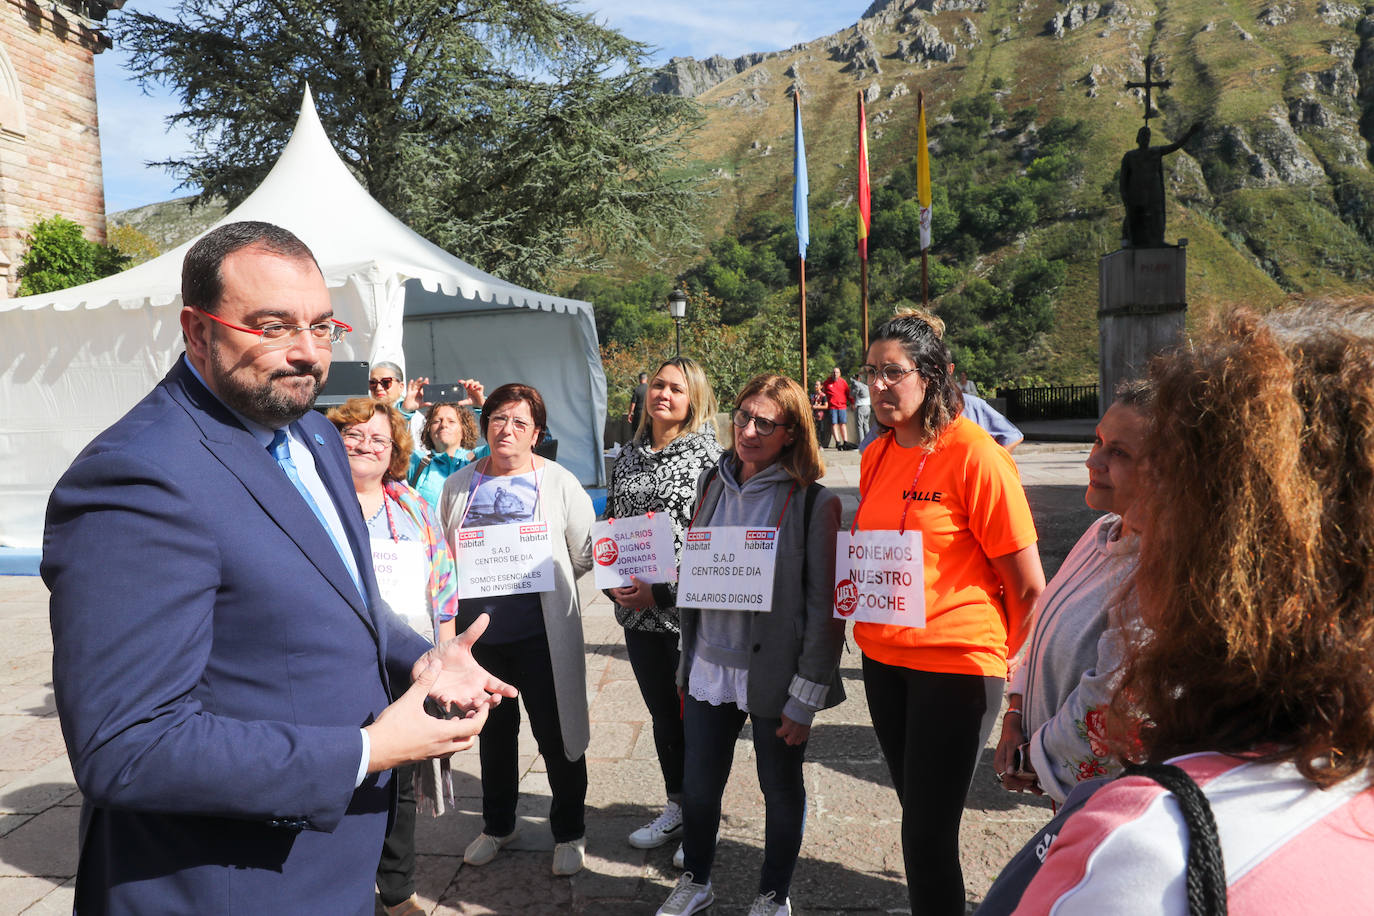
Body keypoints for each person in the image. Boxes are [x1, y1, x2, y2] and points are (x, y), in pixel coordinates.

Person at [42, 220, 515, 914]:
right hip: (226, 886)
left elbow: (340, 598)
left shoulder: (317, 437)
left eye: (323, 326)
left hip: (336, 874)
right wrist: (366, 751)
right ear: (196, 331)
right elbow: (126, 745)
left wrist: (422, 658)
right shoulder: (136, 478)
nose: (307, 353)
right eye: (272, 326)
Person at [1008, 303, 1374, 913]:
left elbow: (1113, 704)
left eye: (1177, 485)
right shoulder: (1337, 767)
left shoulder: (1148, 855)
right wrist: (1019, 710)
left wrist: (1040, 761)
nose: (1148, 523)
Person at [853, 311, 1044, 916]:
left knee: (926, 832)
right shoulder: (875, 455)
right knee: (918, 813)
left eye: (894, 373)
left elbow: (1029, 588)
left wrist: (1019, 690)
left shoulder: (975, 455)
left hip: (958, 665)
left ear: (933, 376)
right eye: (871, 373)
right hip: (884, 662)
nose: (880, 387)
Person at [657, 375, 844, 916]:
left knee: (780, 791)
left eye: (767, 423)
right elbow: (700, 574)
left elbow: (825, 609)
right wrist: (685, 656)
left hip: (775, 677)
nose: (750, 431)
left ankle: (773, 895)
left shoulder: (813, 503)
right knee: (697, 788)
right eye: (743, 417)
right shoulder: (710, 485)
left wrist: (805, 698)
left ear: (791, 433)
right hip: (709, 666)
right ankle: (696, 880)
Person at [438, 383, 595, 877]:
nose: (506, 430)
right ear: (484, 425)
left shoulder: (559, 482)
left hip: (542, 635)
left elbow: (583, 554)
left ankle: (569, 830)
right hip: (480, 643)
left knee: (557, 735)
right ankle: (498, 824)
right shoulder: (459, 484)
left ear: (537, 434)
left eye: (519, 422)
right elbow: (444, 558)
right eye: (498, 419)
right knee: (493, 736)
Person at [327, 396, 461, 916]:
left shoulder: (412, 508)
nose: (365, 446)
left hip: (405, 664)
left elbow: (443, 590)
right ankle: (341, 881)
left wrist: (445, 660)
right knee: (347, 768)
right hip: (337, 662)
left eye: (378, 438)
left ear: (394, 452)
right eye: (352, 436)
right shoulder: (311, 503)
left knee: (401, 779)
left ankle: (398, 888)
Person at [993, 380, 1150, 804]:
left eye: (1118, 452)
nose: (1091, 460)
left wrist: (1031, 761)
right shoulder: (1101, 531)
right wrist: (1015, 713)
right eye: (1098, 441)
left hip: (1112, 810)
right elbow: (1044, 623)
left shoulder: (1162, 572)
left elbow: (1113, 706)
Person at [606, 357, 723, 859]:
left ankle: (702, 821)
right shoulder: (629, 456)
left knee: (697, 721)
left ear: (693, 398)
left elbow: (719, 541)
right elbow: (613, 519)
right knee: (662, 717)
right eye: (658, 385)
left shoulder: (711, 459)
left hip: (688, 614)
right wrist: (612, 577)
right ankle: (677, 807)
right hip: (638, 615)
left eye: (677, 388)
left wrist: (665, 589)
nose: (665, 395)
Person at [409, 400, 489, 506]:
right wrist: (405, 411)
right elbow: (387, 446)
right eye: (437, 421)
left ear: (464, 430)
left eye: (451, 421)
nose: (443, 425)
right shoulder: (417, 462)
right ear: (428, 430)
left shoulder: (479, 458)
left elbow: (502, 440)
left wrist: (483, 407)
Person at [820, 365, 851, 449]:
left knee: (843, 424)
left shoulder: (843, 382)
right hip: (832, 407)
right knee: (834, 424)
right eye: (833, 372)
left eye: (837, 372)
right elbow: (822, 392)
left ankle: (845, 442)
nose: (835, 374)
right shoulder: (827, 382)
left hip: (842, 406)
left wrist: (852, 403)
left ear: (840, 374)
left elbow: (848, 393)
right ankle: (838, 442)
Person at [850, 370, 871, 443]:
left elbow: (852, 394)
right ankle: (869, 443)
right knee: (866, 425)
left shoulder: (857, 385)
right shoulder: (866, 386)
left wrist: (853, 383)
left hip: (861, 406)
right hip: (868, 407)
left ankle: (861, 444)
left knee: (859, 426)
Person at [810, 380, 829, 449]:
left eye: (817, 385)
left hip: (821, 416)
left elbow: (826, 406)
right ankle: (816, 444)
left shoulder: (823, 395)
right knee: (815, 430)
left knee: (821, 430)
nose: (816, 386)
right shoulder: (813, 395)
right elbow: (811, 404)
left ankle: (821, 444)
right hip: (814, 416)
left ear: (821, 386)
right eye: (815, 385)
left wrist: (817, 407)